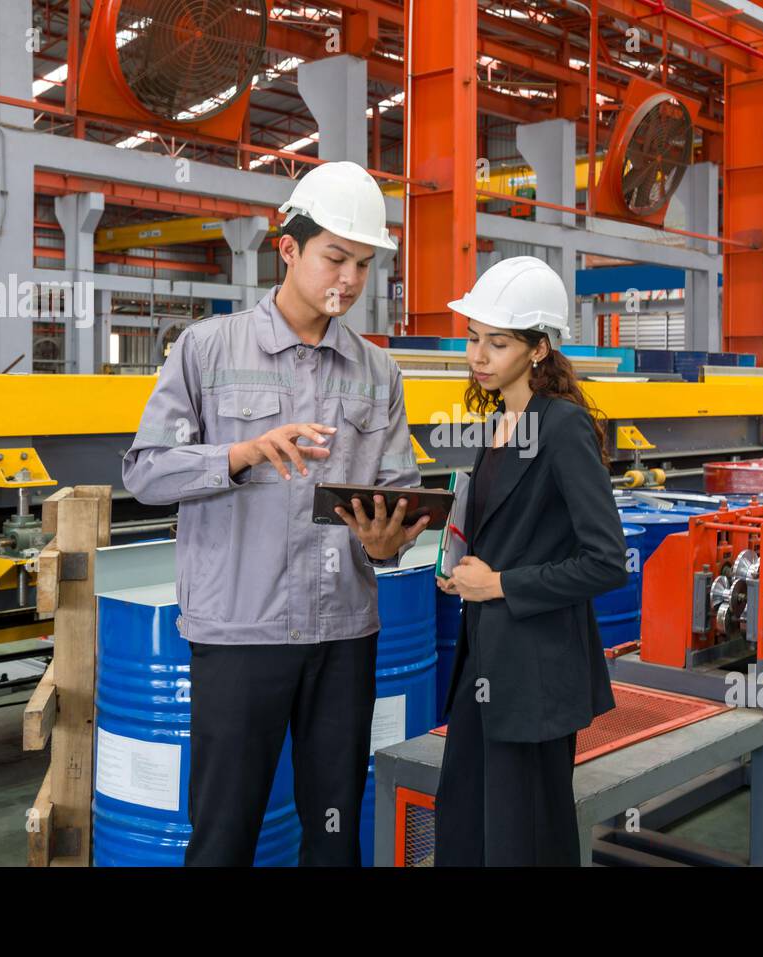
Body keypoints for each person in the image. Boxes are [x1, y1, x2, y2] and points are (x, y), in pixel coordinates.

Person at [122, 161, 430, 866]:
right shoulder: (208, 349)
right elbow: (144, 471)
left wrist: (388, 541)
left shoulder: (379, 373)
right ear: (287, 249)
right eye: (334, 258)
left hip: (344, 633)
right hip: (239, 635)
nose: (349, 279)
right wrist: (239, 453)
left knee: (334, 835)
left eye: (362, 263)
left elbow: (396, 493)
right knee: (224, 835)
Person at [432, 256, 628, 866]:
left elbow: (607, 561)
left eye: (498, 342)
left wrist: (500, 585)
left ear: (539, 348)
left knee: (526, 838)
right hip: (484, 662)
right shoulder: (497, 425)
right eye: (473, 339)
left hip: (536, 672)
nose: (478, 355)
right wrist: (460, 566)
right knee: (466, 820)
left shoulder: (563, 426)